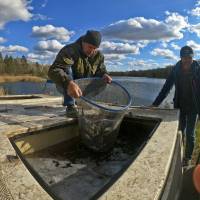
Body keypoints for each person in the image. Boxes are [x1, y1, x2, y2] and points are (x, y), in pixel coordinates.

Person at [151, 46, 200, 166]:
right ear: (181, 58)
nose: (187, 60)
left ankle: (187, 158)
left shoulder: (198, 69)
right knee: (179, 132)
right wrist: (155, 104)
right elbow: (166, 88)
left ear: (192, 57)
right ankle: (179, 153)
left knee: (190, 134)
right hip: (179, 105)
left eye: (189, 57)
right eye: (184, 57)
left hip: (194, 106)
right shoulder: (176, 69)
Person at [48, 30, 112, 117]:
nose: (92, 51)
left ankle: (83, 101)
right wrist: (69, 82)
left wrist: (104, 74)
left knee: (102, 80)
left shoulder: (99, 55)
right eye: (90, 47)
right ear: (83, 42)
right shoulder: (69, 50)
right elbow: (53, 70)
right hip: (66, 85)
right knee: (66, 68)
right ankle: (70, 105)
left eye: (95, 48)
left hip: (83, 87)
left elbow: (101, 70)